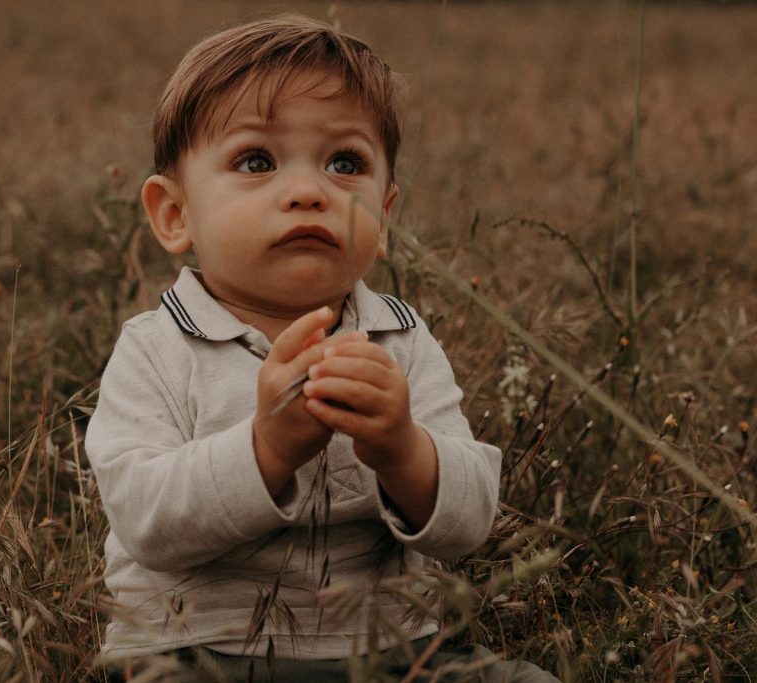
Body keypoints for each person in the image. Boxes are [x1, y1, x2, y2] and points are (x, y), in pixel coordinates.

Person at [86, 14, 558, 682]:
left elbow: (469, 517)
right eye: (256, 161)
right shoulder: (157, 346)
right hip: (194, 651)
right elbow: (143, 519)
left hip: (392, 650)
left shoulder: (401, 338)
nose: (310, 191)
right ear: (175, 214)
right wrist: (267, 448)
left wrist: (403, 448)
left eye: (346, 163)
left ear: (384, 216)